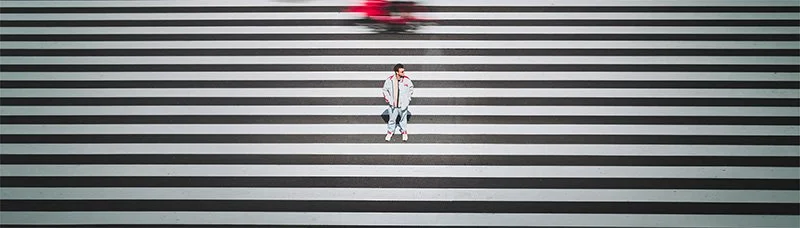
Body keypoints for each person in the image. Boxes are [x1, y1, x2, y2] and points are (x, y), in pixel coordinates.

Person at [382, 63, 414, 142]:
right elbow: (384, 90)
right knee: (392, 119)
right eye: (402, 71)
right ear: (397, 72)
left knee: (403, 119)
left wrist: (408, 99)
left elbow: (411, 89)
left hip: (403, 105)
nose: (404, 73)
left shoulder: (407, 80)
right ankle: (390, 132)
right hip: (393, 105)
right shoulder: (389, 80)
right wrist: (389, 100)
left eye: (403, 71)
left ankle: (404, 131)